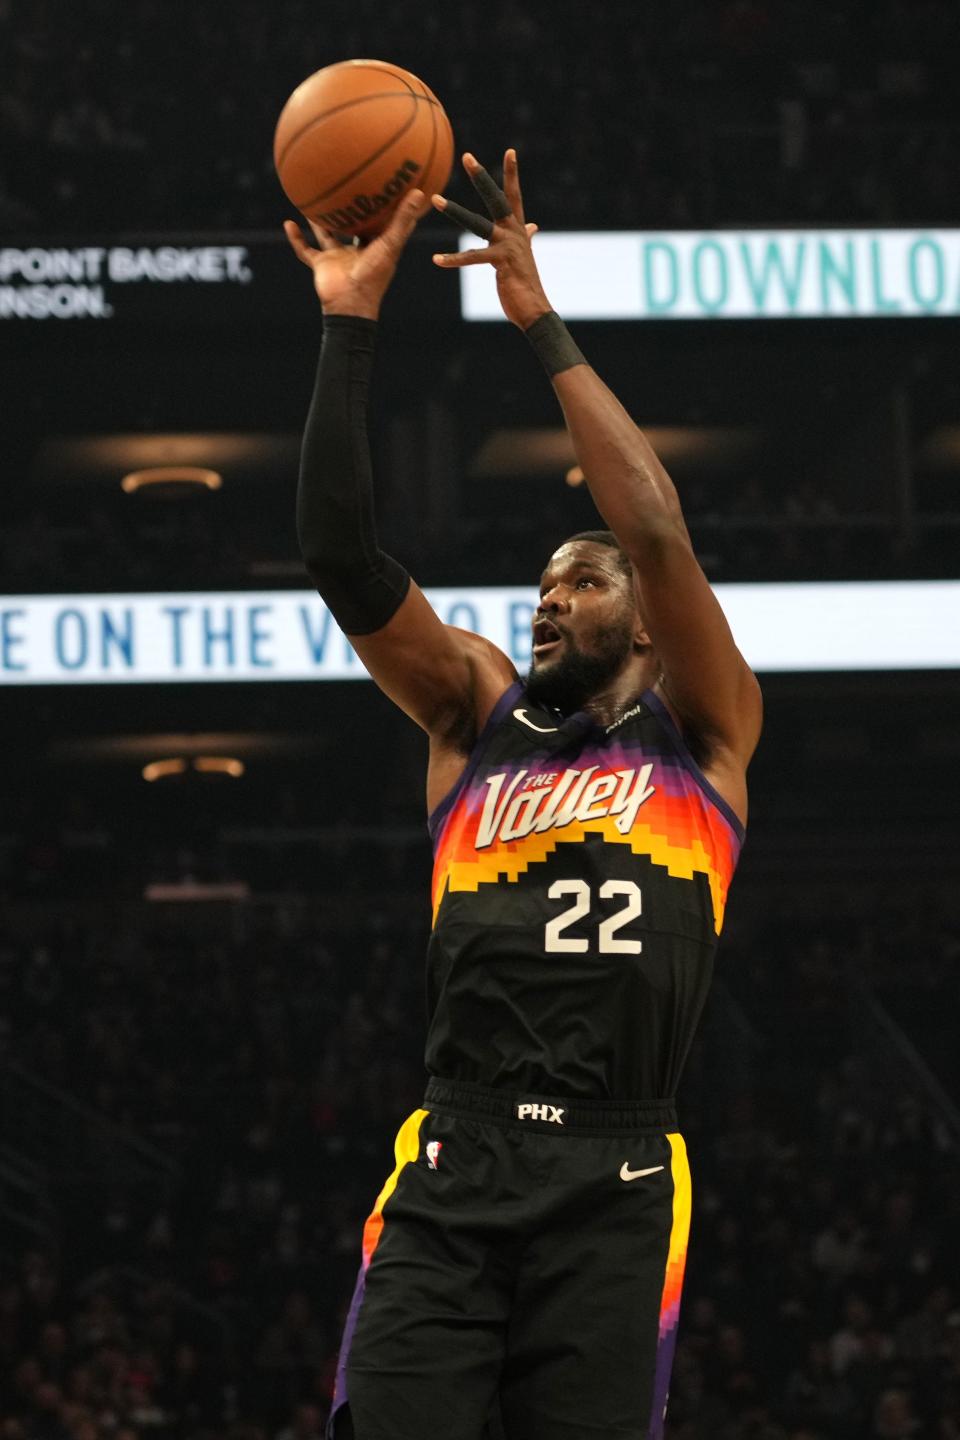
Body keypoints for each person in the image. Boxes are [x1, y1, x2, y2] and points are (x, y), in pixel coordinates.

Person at [284, 149, 762, 1440]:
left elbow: (654, 527)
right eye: (544, 583)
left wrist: (534, 317)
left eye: (582, 582)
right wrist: (348, 322)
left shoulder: (704, 741)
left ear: (649, 630)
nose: (553, 596)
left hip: (615, 1169)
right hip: (455, 1157)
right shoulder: (474, 713)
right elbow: (338, 555)